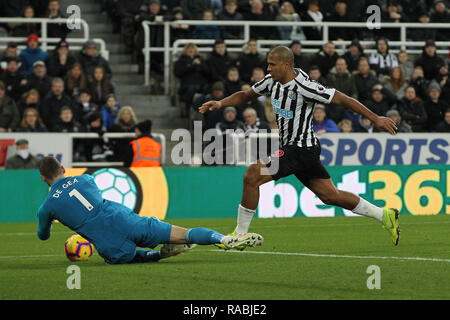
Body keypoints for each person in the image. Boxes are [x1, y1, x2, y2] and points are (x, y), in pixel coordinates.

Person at [199, 46, 400, 248]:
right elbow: (245, 95)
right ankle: (384, 215)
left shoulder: (305, 86)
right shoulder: (271, 82)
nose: (268, 68)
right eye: (267, 64)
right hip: (299, 149)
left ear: (286, 65)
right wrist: (220, 103)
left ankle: (240, 234)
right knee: (330, 195)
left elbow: (343, 99)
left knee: (252, 175)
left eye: (272, 64)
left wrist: (375, 118)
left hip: (301, 148)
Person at [36, 156, 263, 264]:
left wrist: (53, 219)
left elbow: (43, 235)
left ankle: (157, 255)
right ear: (64, 168)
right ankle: (223, 239)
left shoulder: (47, 207)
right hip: (124, 218)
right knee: (184, 233)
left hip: (105, 240)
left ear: (43, 178)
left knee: (125, 257)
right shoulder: (85, 179)